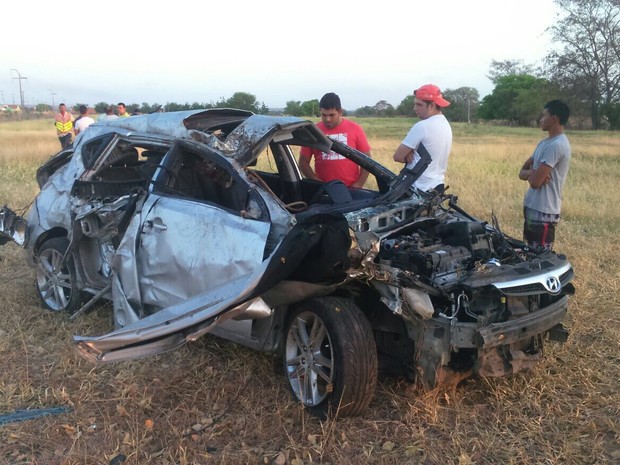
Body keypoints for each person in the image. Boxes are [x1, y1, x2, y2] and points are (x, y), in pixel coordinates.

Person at [518, 99, 571, 250]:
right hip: (532, 205)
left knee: (540, 258)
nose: (540, 119)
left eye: (544, 115)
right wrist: (532, 173)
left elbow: (535, 183)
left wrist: (533, 176)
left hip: (544, 211)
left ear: (554, 119)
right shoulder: (543, 143)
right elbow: (521, 173)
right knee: (529, 251)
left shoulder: (557, 145)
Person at [299, 92, 371, 188]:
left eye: (332, 115)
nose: (327, 119)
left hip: (351, 189)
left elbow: (367, 161)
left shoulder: (355, 129)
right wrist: (316, 182)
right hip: (323, 190)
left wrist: (358, 184)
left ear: (340, 112)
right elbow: (303, 162)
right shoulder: (313, 131)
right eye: (324, 115)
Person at [392, 84, 452, 192]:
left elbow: (398, 157)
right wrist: (411, 152)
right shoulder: (445, 125)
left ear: (432, 105)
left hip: (418, 189)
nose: (415, 108)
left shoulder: (422, 126)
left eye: (419, 105)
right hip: (437, 186)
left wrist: (410, 152)